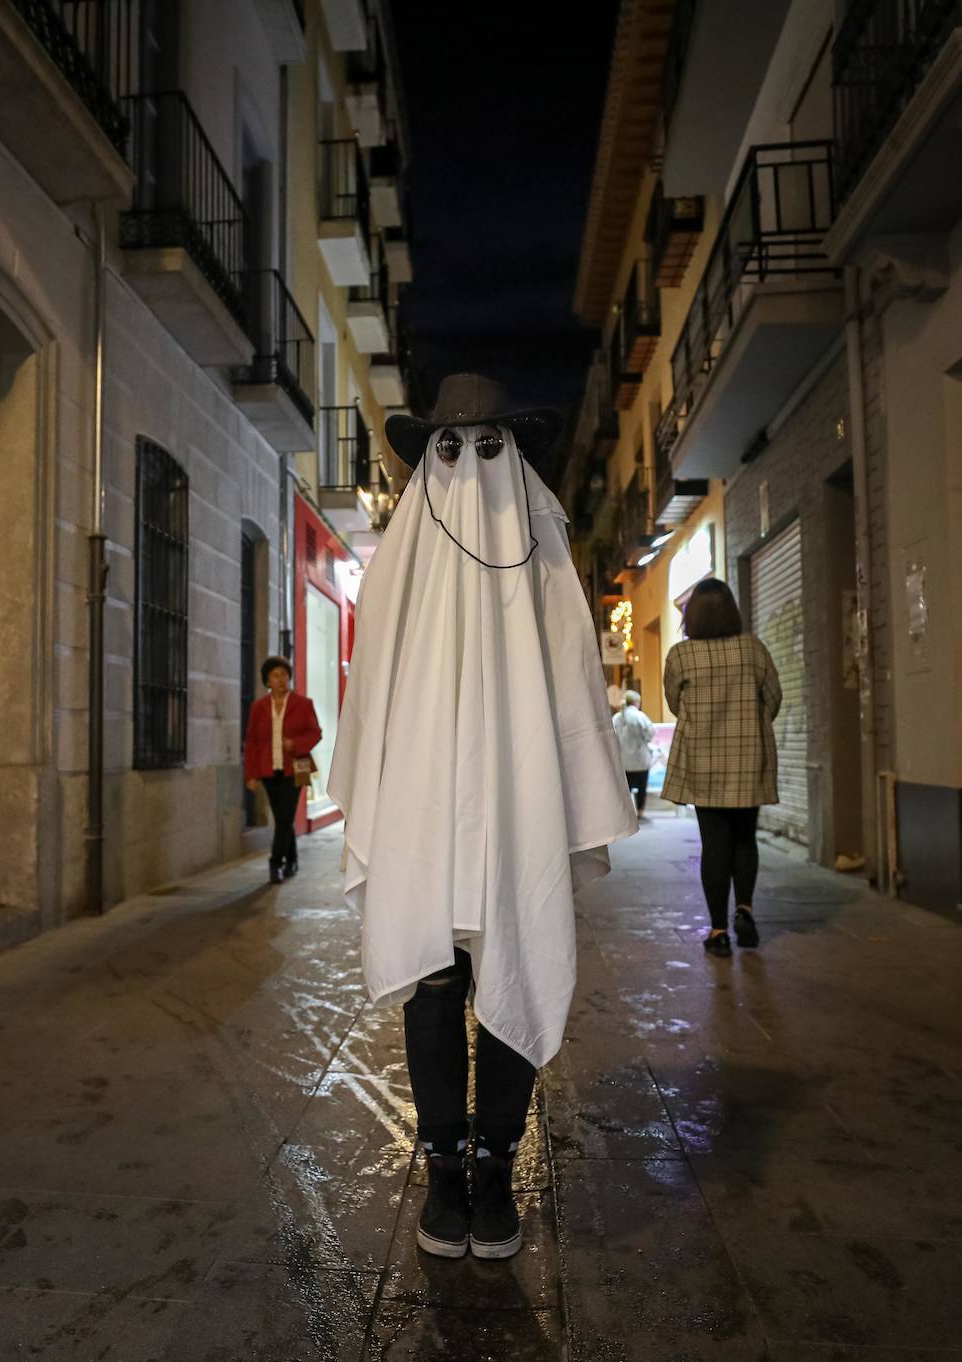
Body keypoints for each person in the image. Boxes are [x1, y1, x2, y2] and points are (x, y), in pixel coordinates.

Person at [329, 374, 637, 1262]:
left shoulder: (539, 553)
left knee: (514, 955)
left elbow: (573, 684)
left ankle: (497, 1168)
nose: (469, 469)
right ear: (429, 457)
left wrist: (567, 796)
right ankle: (442, 1171)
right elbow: (374, 688)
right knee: (433, 982)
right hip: (424, 803)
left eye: (489, 448)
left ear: (516, 455)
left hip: (514, 801)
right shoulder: (401, 564)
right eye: (449, 449)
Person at [661, 577, 782, 958]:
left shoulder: (681, 655)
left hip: (703, 761)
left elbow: (675, 705)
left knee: (714, 845)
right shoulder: (753, 650)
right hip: (749, 757)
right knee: (745, 839)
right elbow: (773, 699)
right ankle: (744, 911)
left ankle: (717, 932)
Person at [244, 656, 321, 885]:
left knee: (285, 817)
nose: (281, 679)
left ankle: (275, 863)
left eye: (285, 674)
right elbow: (253, 742)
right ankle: (293, 859)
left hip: (297, 767)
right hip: (269, 770)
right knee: (282, 818)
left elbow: (315, 732)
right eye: (276, 675)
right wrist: (251, 774)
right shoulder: (259, 707)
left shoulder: (303, 703)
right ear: (267, 680)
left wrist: (295, 744)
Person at [612, 689, 657, 815]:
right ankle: (640, 812)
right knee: (641, 788)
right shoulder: (640, 716)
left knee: (626, 790)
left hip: (624, 761)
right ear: (637, 702)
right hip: (641, 759)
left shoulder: (616, 718)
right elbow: (650, 734)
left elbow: (612, 740)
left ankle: (626, 813)